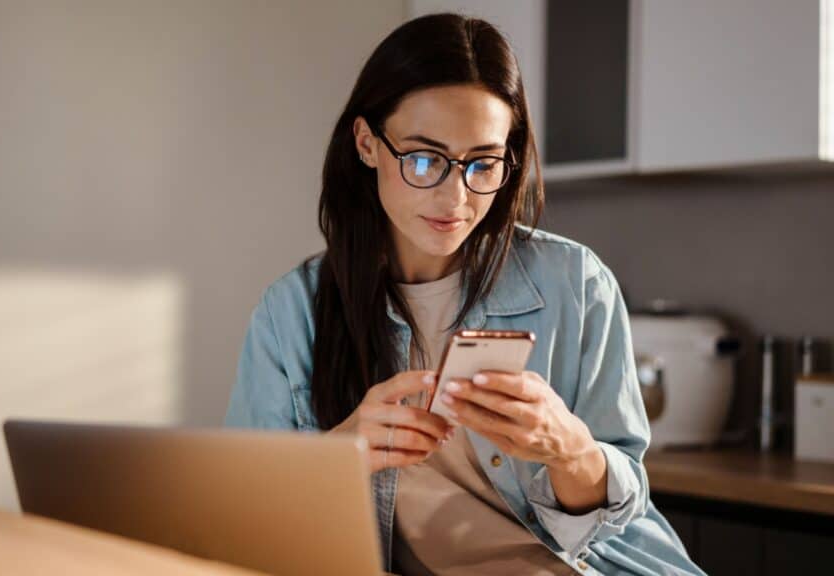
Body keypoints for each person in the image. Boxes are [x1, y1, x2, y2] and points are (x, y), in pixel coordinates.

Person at [225, 13, 704, 576]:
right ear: (367, 144)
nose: (456, 197)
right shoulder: (292, 314)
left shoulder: (577, 284)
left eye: (482, 163)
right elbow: (242, 517)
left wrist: (570, 449)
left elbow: (619, 516)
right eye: (425, 159)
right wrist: (338, 455)